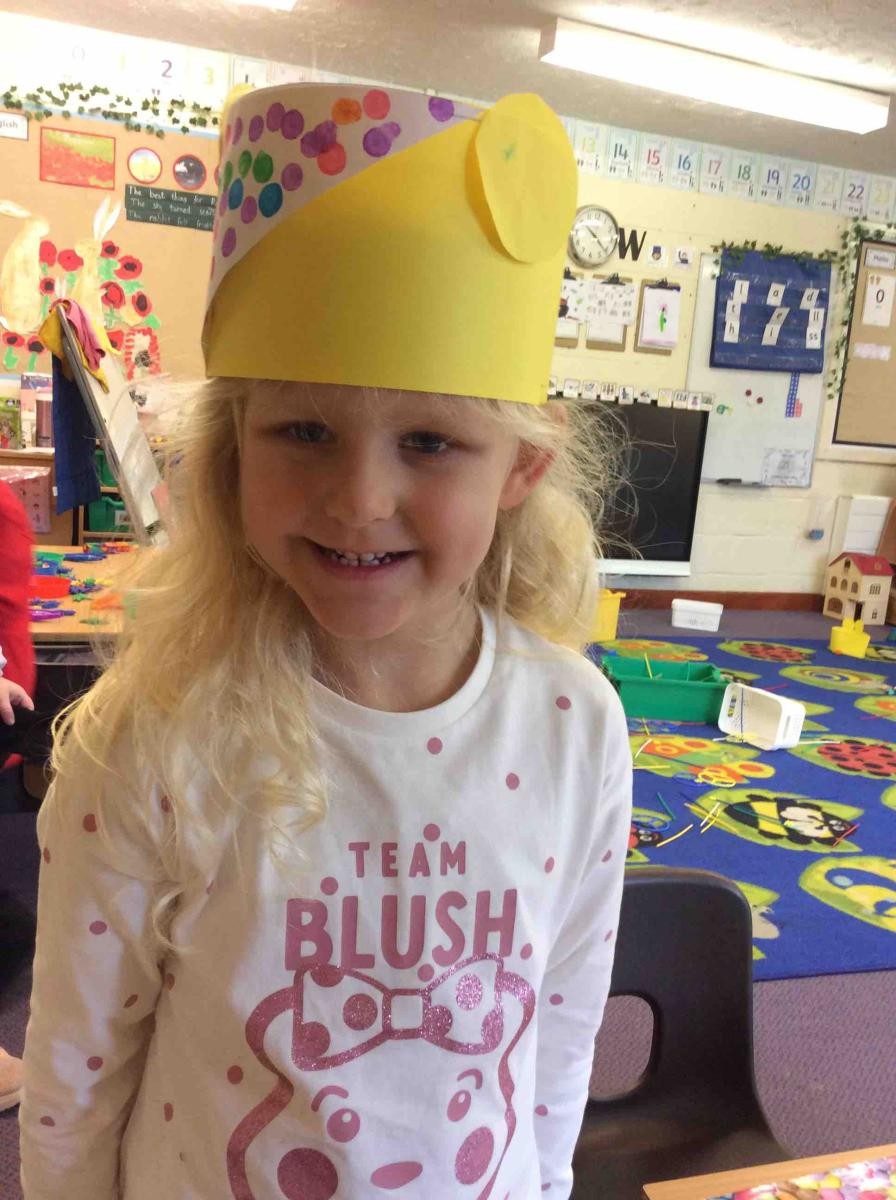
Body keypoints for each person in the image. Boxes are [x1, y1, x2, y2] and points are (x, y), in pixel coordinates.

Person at [20, 83, 632, 1199]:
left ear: (522, 469)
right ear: (232, 454)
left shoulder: (571, 721)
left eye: (430, 441)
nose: (358, 499)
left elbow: (559, 1019)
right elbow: (77, 1068)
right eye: (303, 428)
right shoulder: (157, 731)